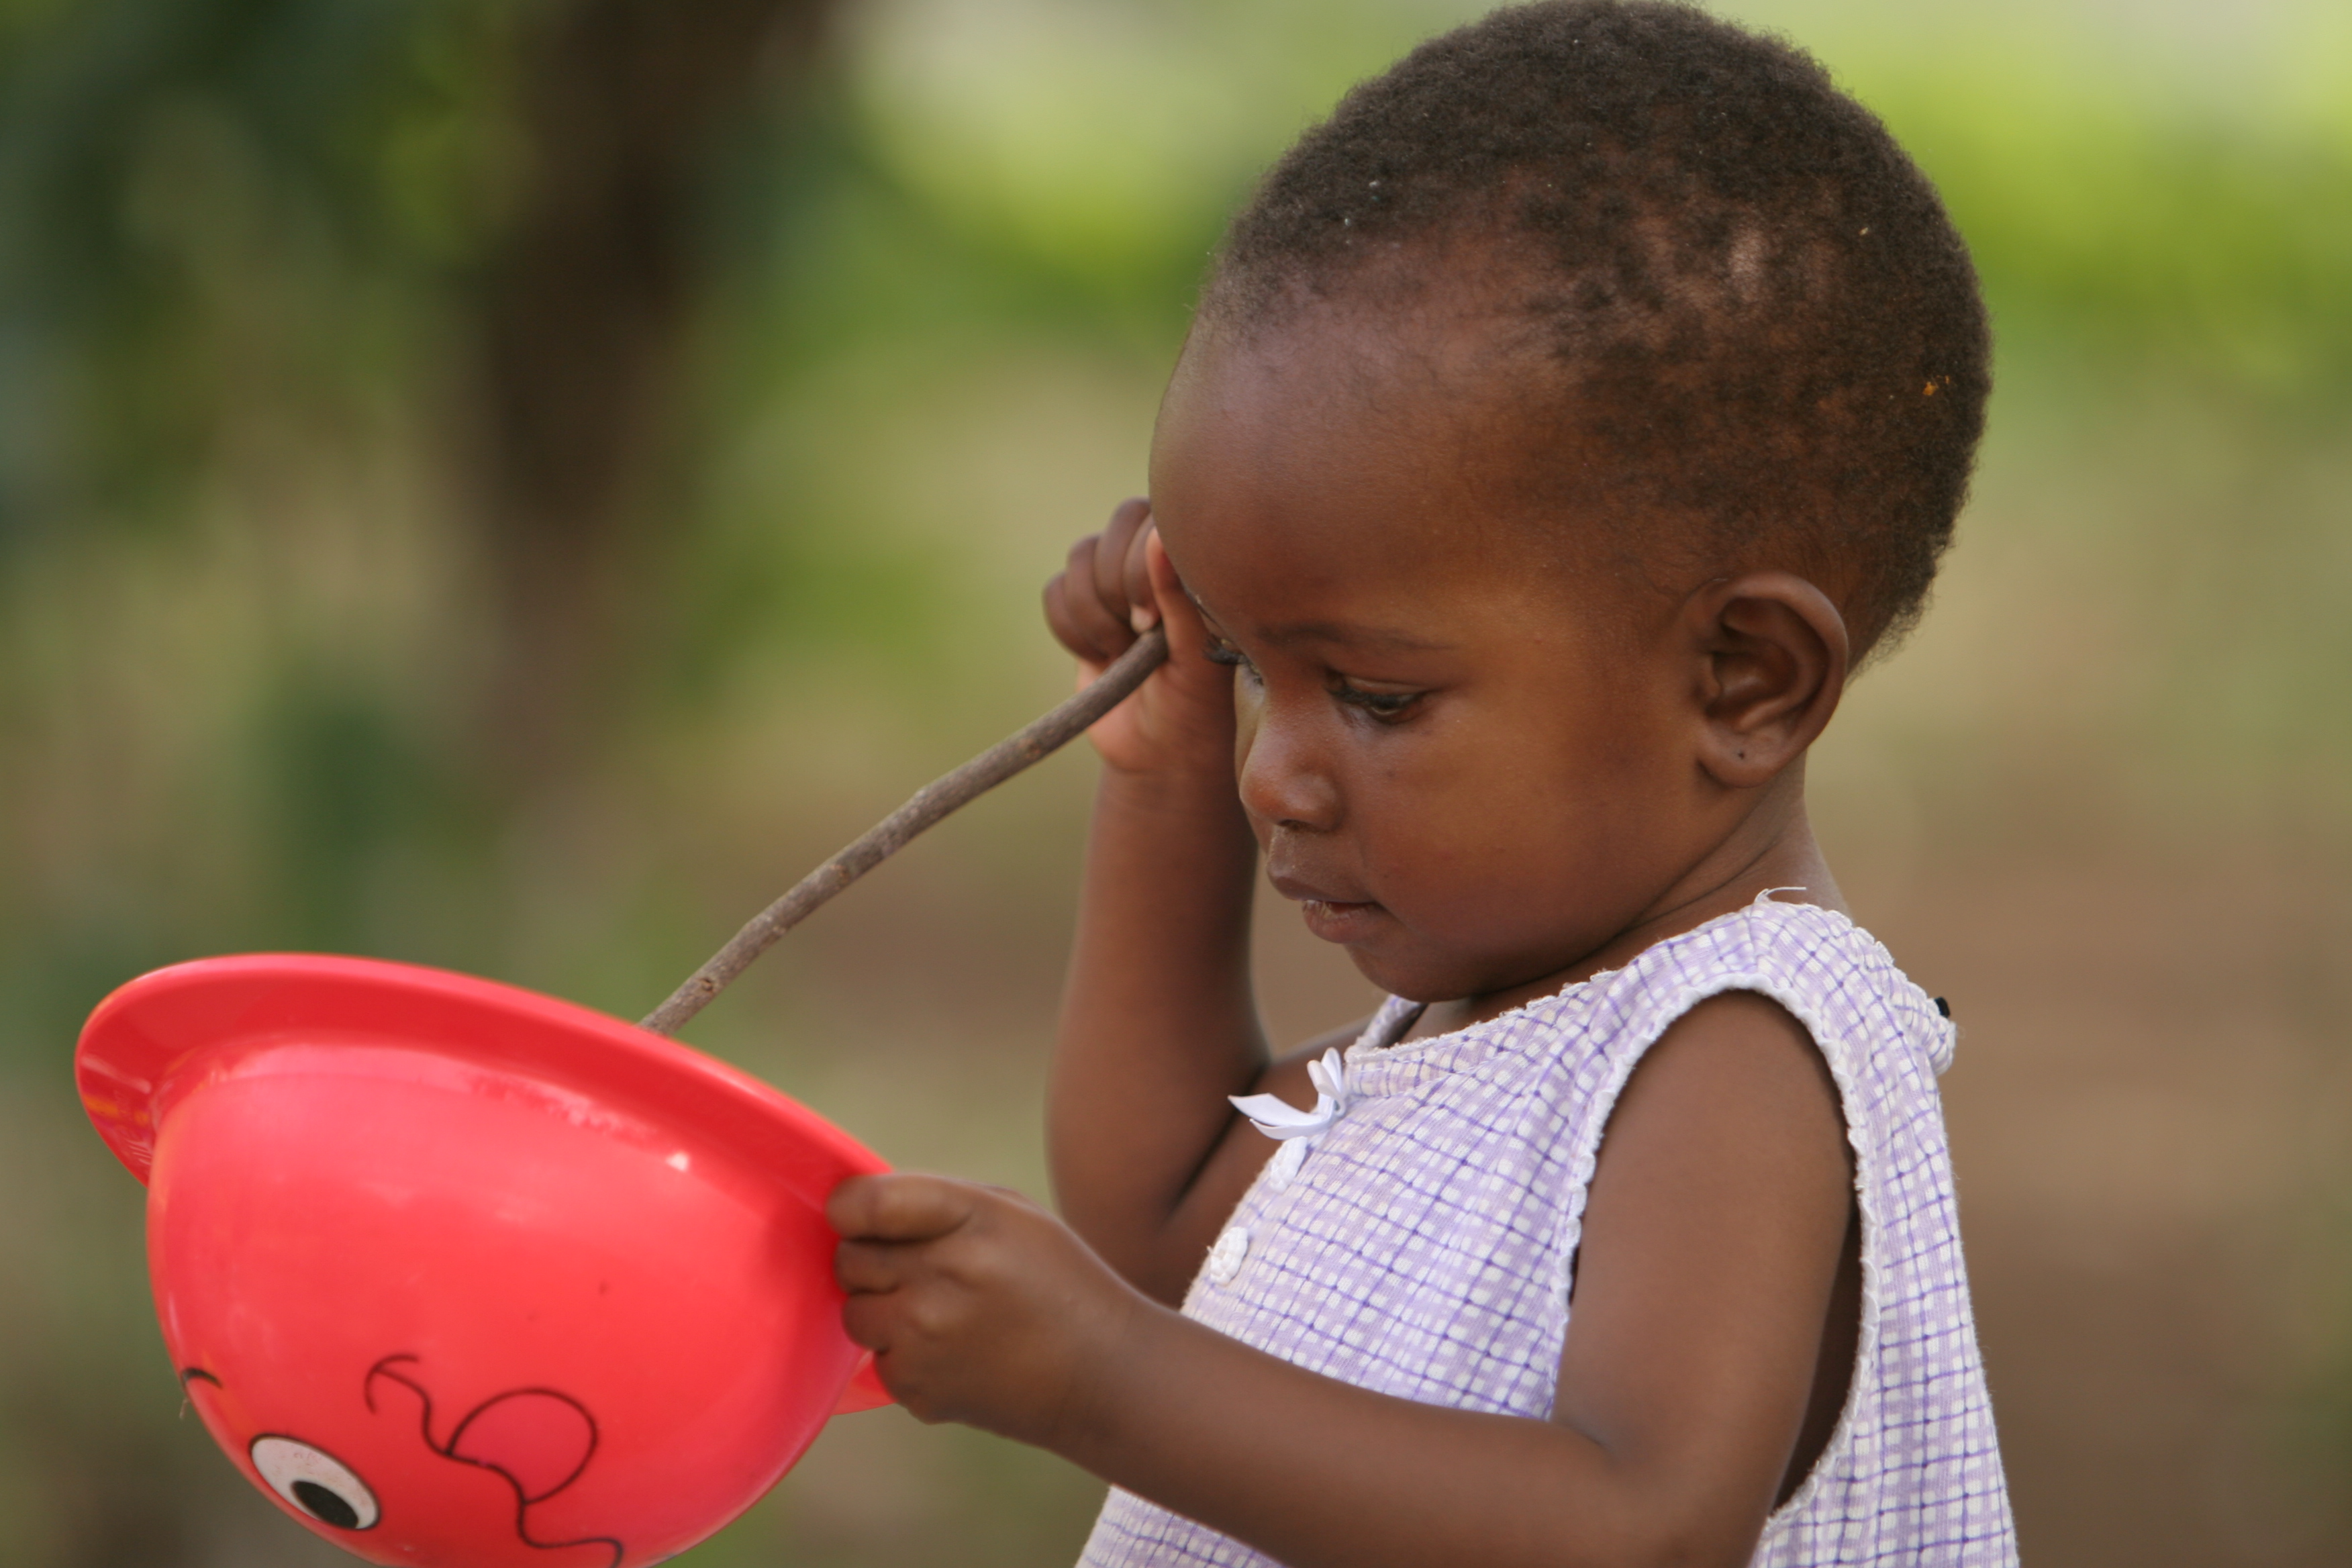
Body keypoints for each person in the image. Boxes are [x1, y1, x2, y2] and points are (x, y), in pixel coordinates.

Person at [824, 3, 2015, 1563]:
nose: (1276, 780)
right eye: (1254, 670)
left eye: (1375, 695)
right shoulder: (1481, 1023)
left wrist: (1108, 1384)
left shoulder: (1738, 1049)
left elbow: (1642, 1524)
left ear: (1745, 682)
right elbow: (1168, 1206)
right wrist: (1163, 766)